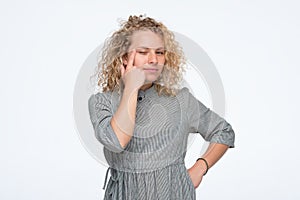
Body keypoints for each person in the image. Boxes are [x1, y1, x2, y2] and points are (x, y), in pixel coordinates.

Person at [88, 15, 235, 200]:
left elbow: (223, 131)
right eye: (143, 52)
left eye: (159, 52)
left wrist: (200, 167)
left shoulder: (181, 100)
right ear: (125, 57)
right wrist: (132, 87)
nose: (153, 59)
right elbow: (116, 142)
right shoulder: (102, 102)